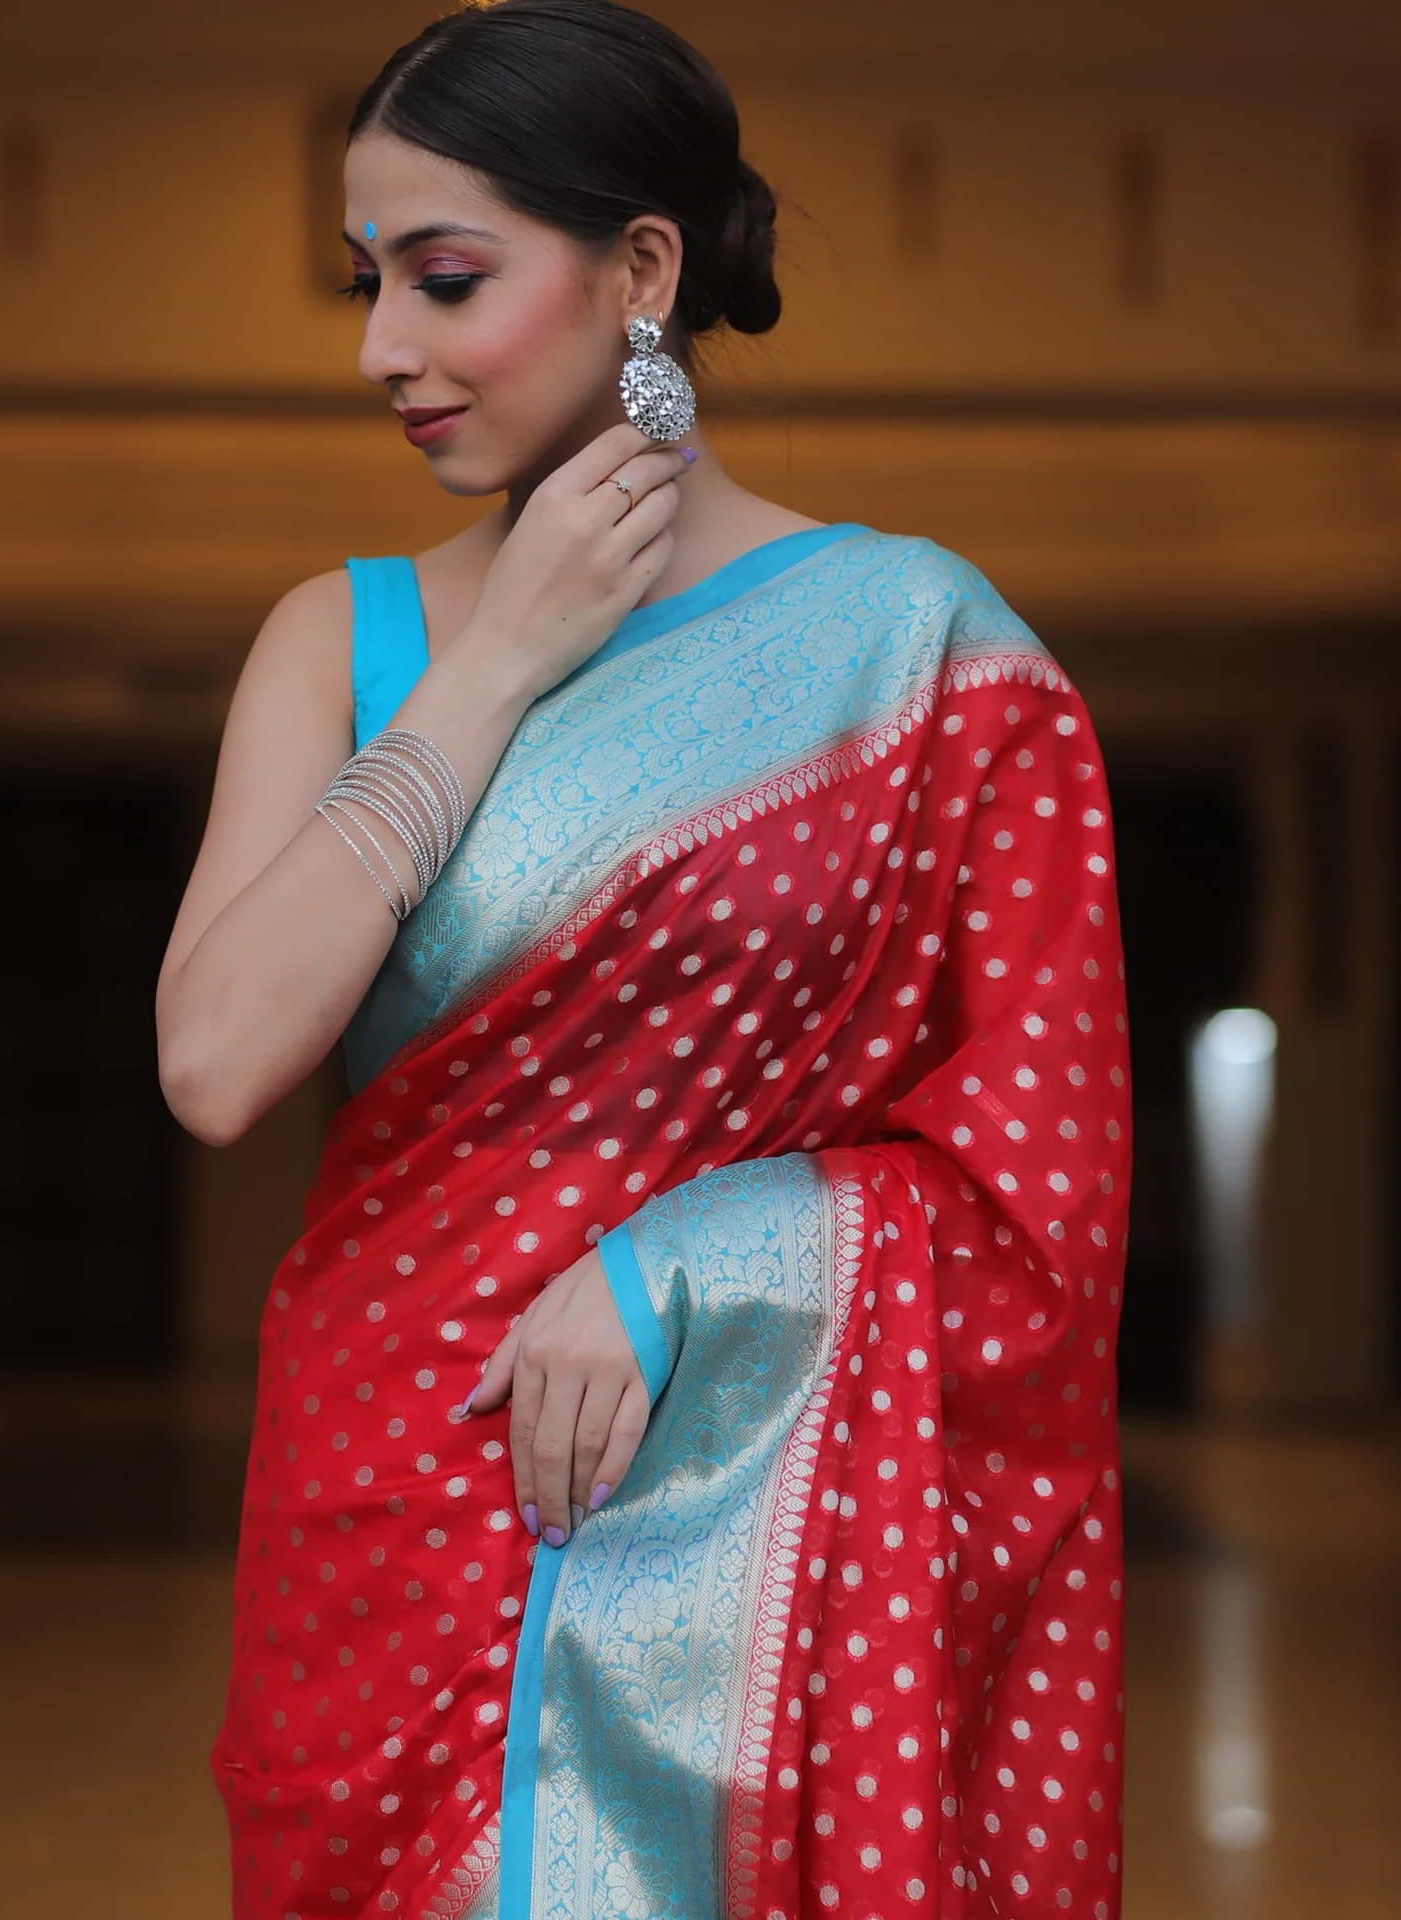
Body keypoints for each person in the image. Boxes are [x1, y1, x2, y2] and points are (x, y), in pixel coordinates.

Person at [154, 3, 1131, 1915]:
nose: (383, 349)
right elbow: (213, 1063)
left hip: (766, 1500)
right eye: (368, 284)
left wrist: (701, 1260)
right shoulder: (341, 637)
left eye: (446, 278)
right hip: (397, 1494)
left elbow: (1041, 1179)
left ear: (645, 270)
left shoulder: (925, 655)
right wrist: (497, 662)